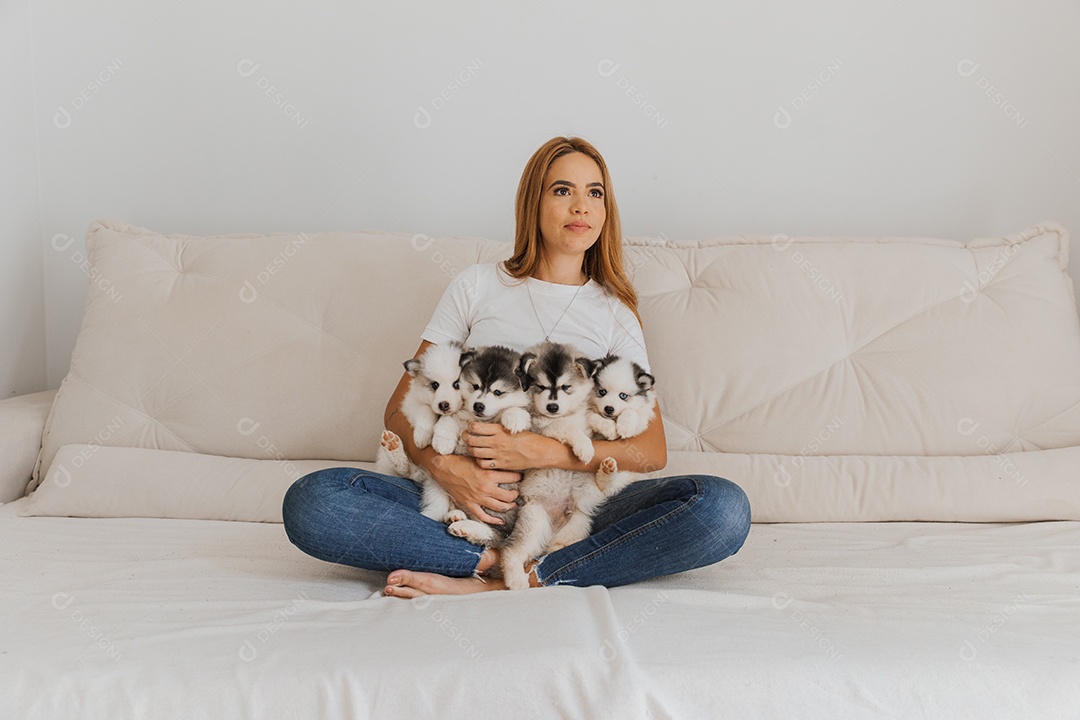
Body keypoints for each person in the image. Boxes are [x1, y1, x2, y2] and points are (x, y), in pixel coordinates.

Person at [281, 136, 751, 597]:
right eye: (562, 190)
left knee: (721, 509)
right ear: (533, 203)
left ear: (607, 212)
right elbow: (398, 412)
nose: (581, 207)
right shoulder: (477, 286)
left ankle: (530, 573)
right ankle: (487, 562)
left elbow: (651, 450)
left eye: (595, 193)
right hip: (475, 498)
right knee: (314, 500)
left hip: (572, 500)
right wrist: (445, 469)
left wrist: (541, 452)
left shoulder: (615, 312)